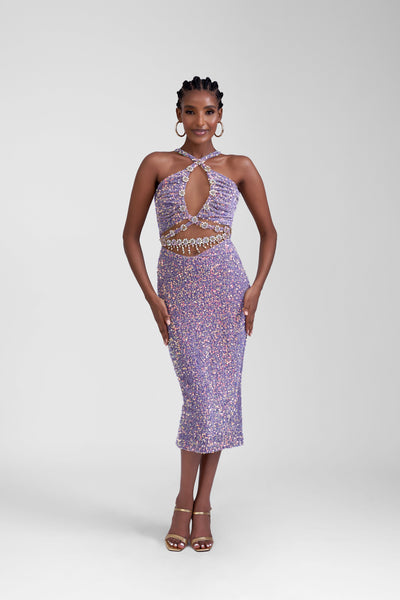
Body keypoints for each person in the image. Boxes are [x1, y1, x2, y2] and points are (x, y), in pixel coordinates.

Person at [122, 76, 277, 552]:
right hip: (178, 293)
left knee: (219, 400)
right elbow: (130, 236)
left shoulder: (240, 166)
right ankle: (181, 502)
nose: (200, 121)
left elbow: (269, 233)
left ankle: (201, 504)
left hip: (227, 291)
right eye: (191, 111)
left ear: (220, 116)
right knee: (200, 396)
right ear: (179, 115)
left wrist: (255, 289)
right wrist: (153, 298)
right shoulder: (156, 164)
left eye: (209, 111)